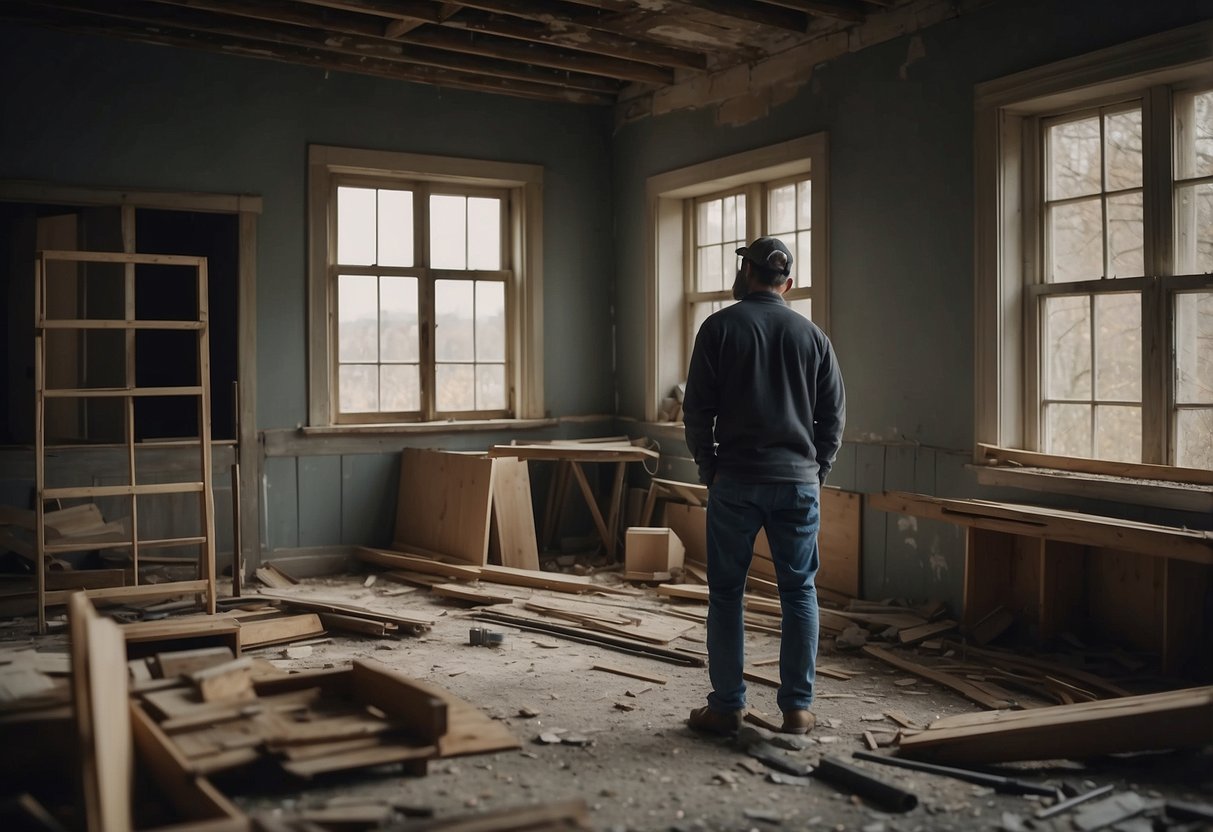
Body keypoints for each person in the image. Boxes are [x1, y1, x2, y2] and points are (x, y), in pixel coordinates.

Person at [681, 236, 846, 736]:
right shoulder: (813, 336)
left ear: (745, 274)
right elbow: (832, 418)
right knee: (799, 592)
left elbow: (696, 413)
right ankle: (797, 708)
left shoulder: (719, 328)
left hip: (735, 481)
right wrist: (815, 473)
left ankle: (727, 706)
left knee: (727, 595)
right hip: (796, 483)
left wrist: (710, 469)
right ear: (787, 284)